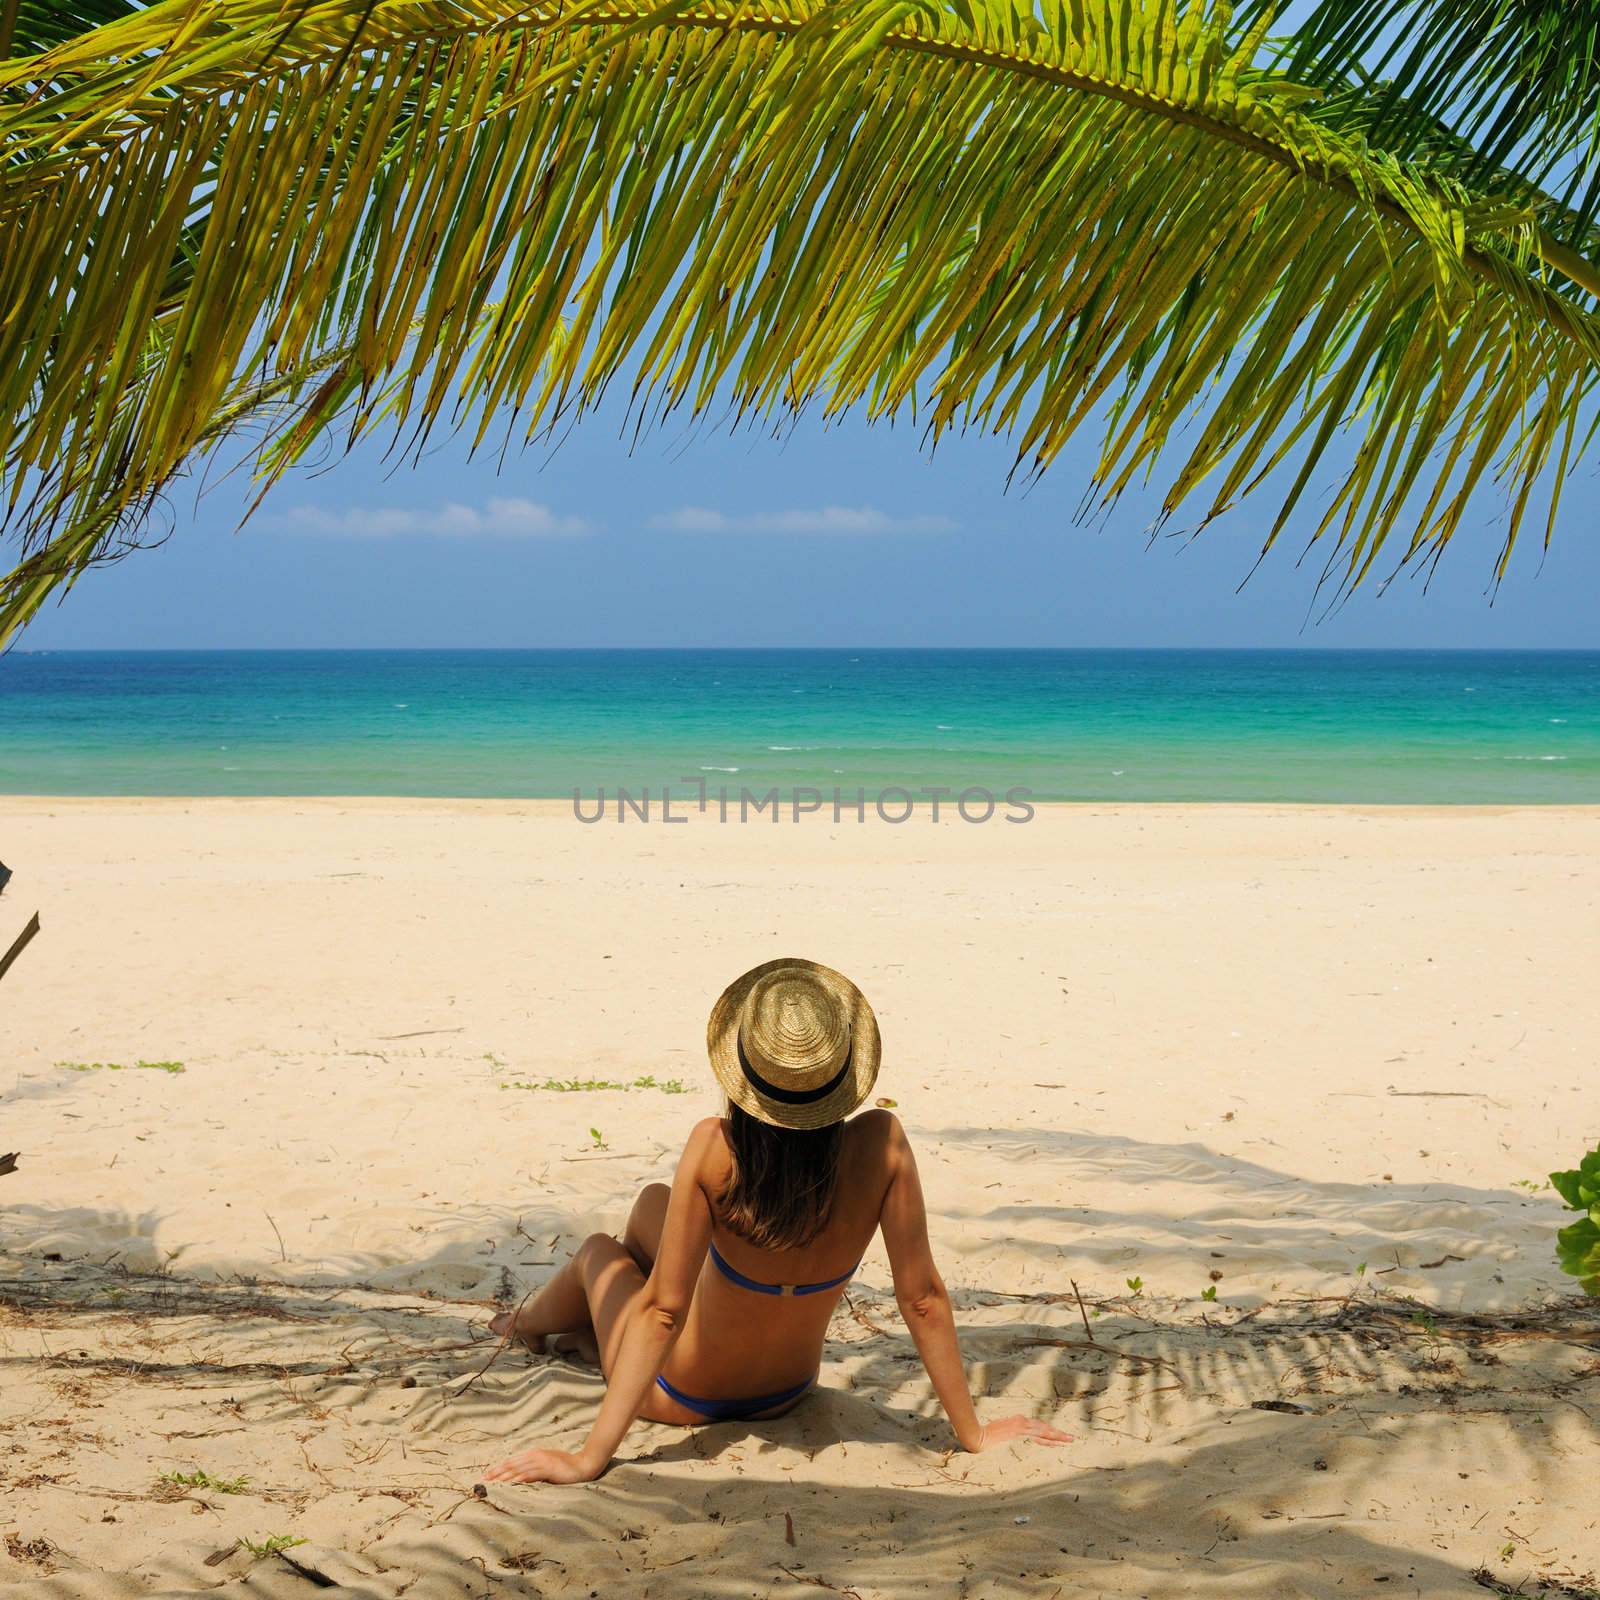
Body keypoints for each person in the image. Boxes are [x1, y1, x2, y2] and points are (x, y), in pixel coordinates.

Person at [483, 957, 1072, 1484]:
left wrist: (589, 1460)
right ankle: (575, 1331)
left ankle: (525, 1324)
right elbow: (921, 1298)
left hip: (679, 1394)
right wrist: (972, 1434)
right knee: (652, 1203)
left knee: (597, 1254)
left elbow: (664, 1312)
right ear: (841, 1080)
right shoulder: (882, 1145)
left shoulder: (715, 1148)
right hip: (784, 1395)